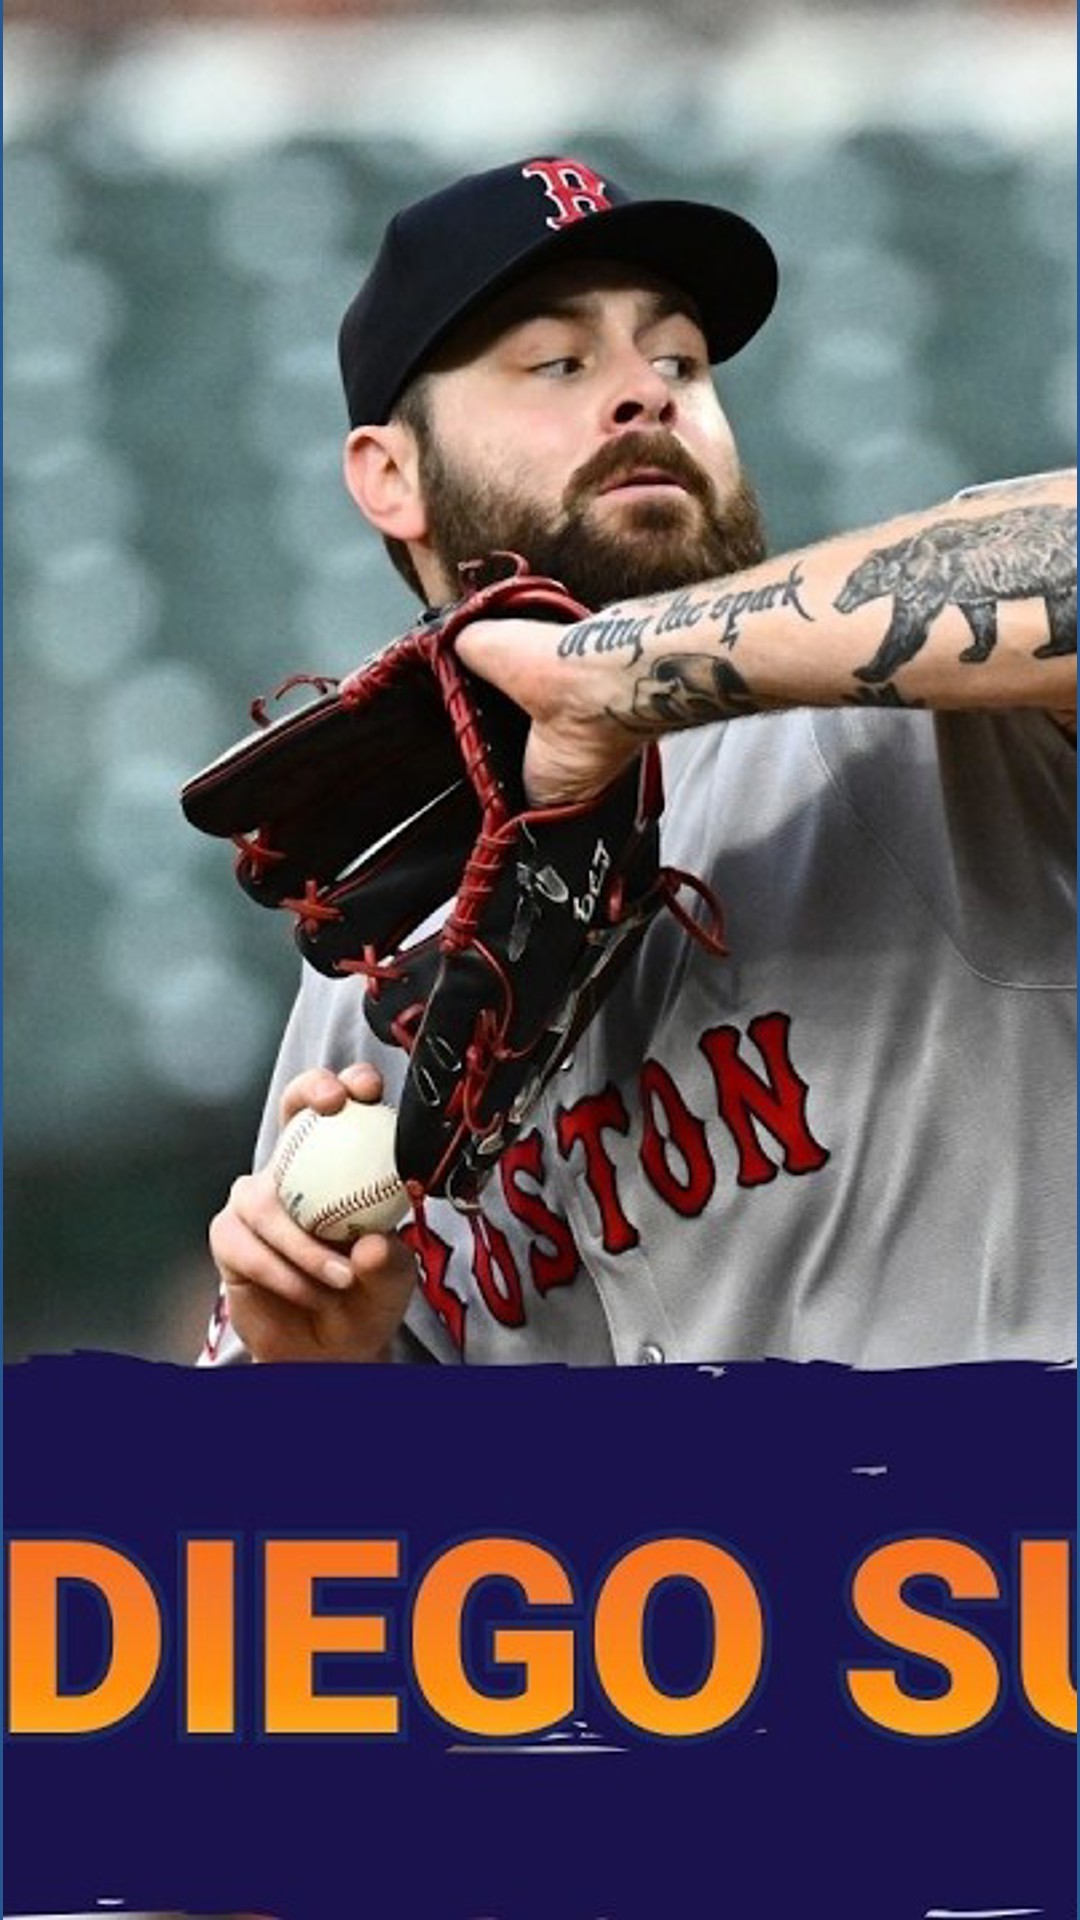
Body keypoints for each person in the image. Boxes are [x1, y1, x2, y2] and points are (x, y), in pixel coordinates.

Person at [202, 156, 1076, 1370]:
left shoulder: (929, 725)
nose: (645, 394)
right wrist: (322, 1378)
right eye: (559, 363)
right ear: (389, 474)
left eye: (680, 361)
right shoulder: (367, 988)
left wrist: (607, 673)